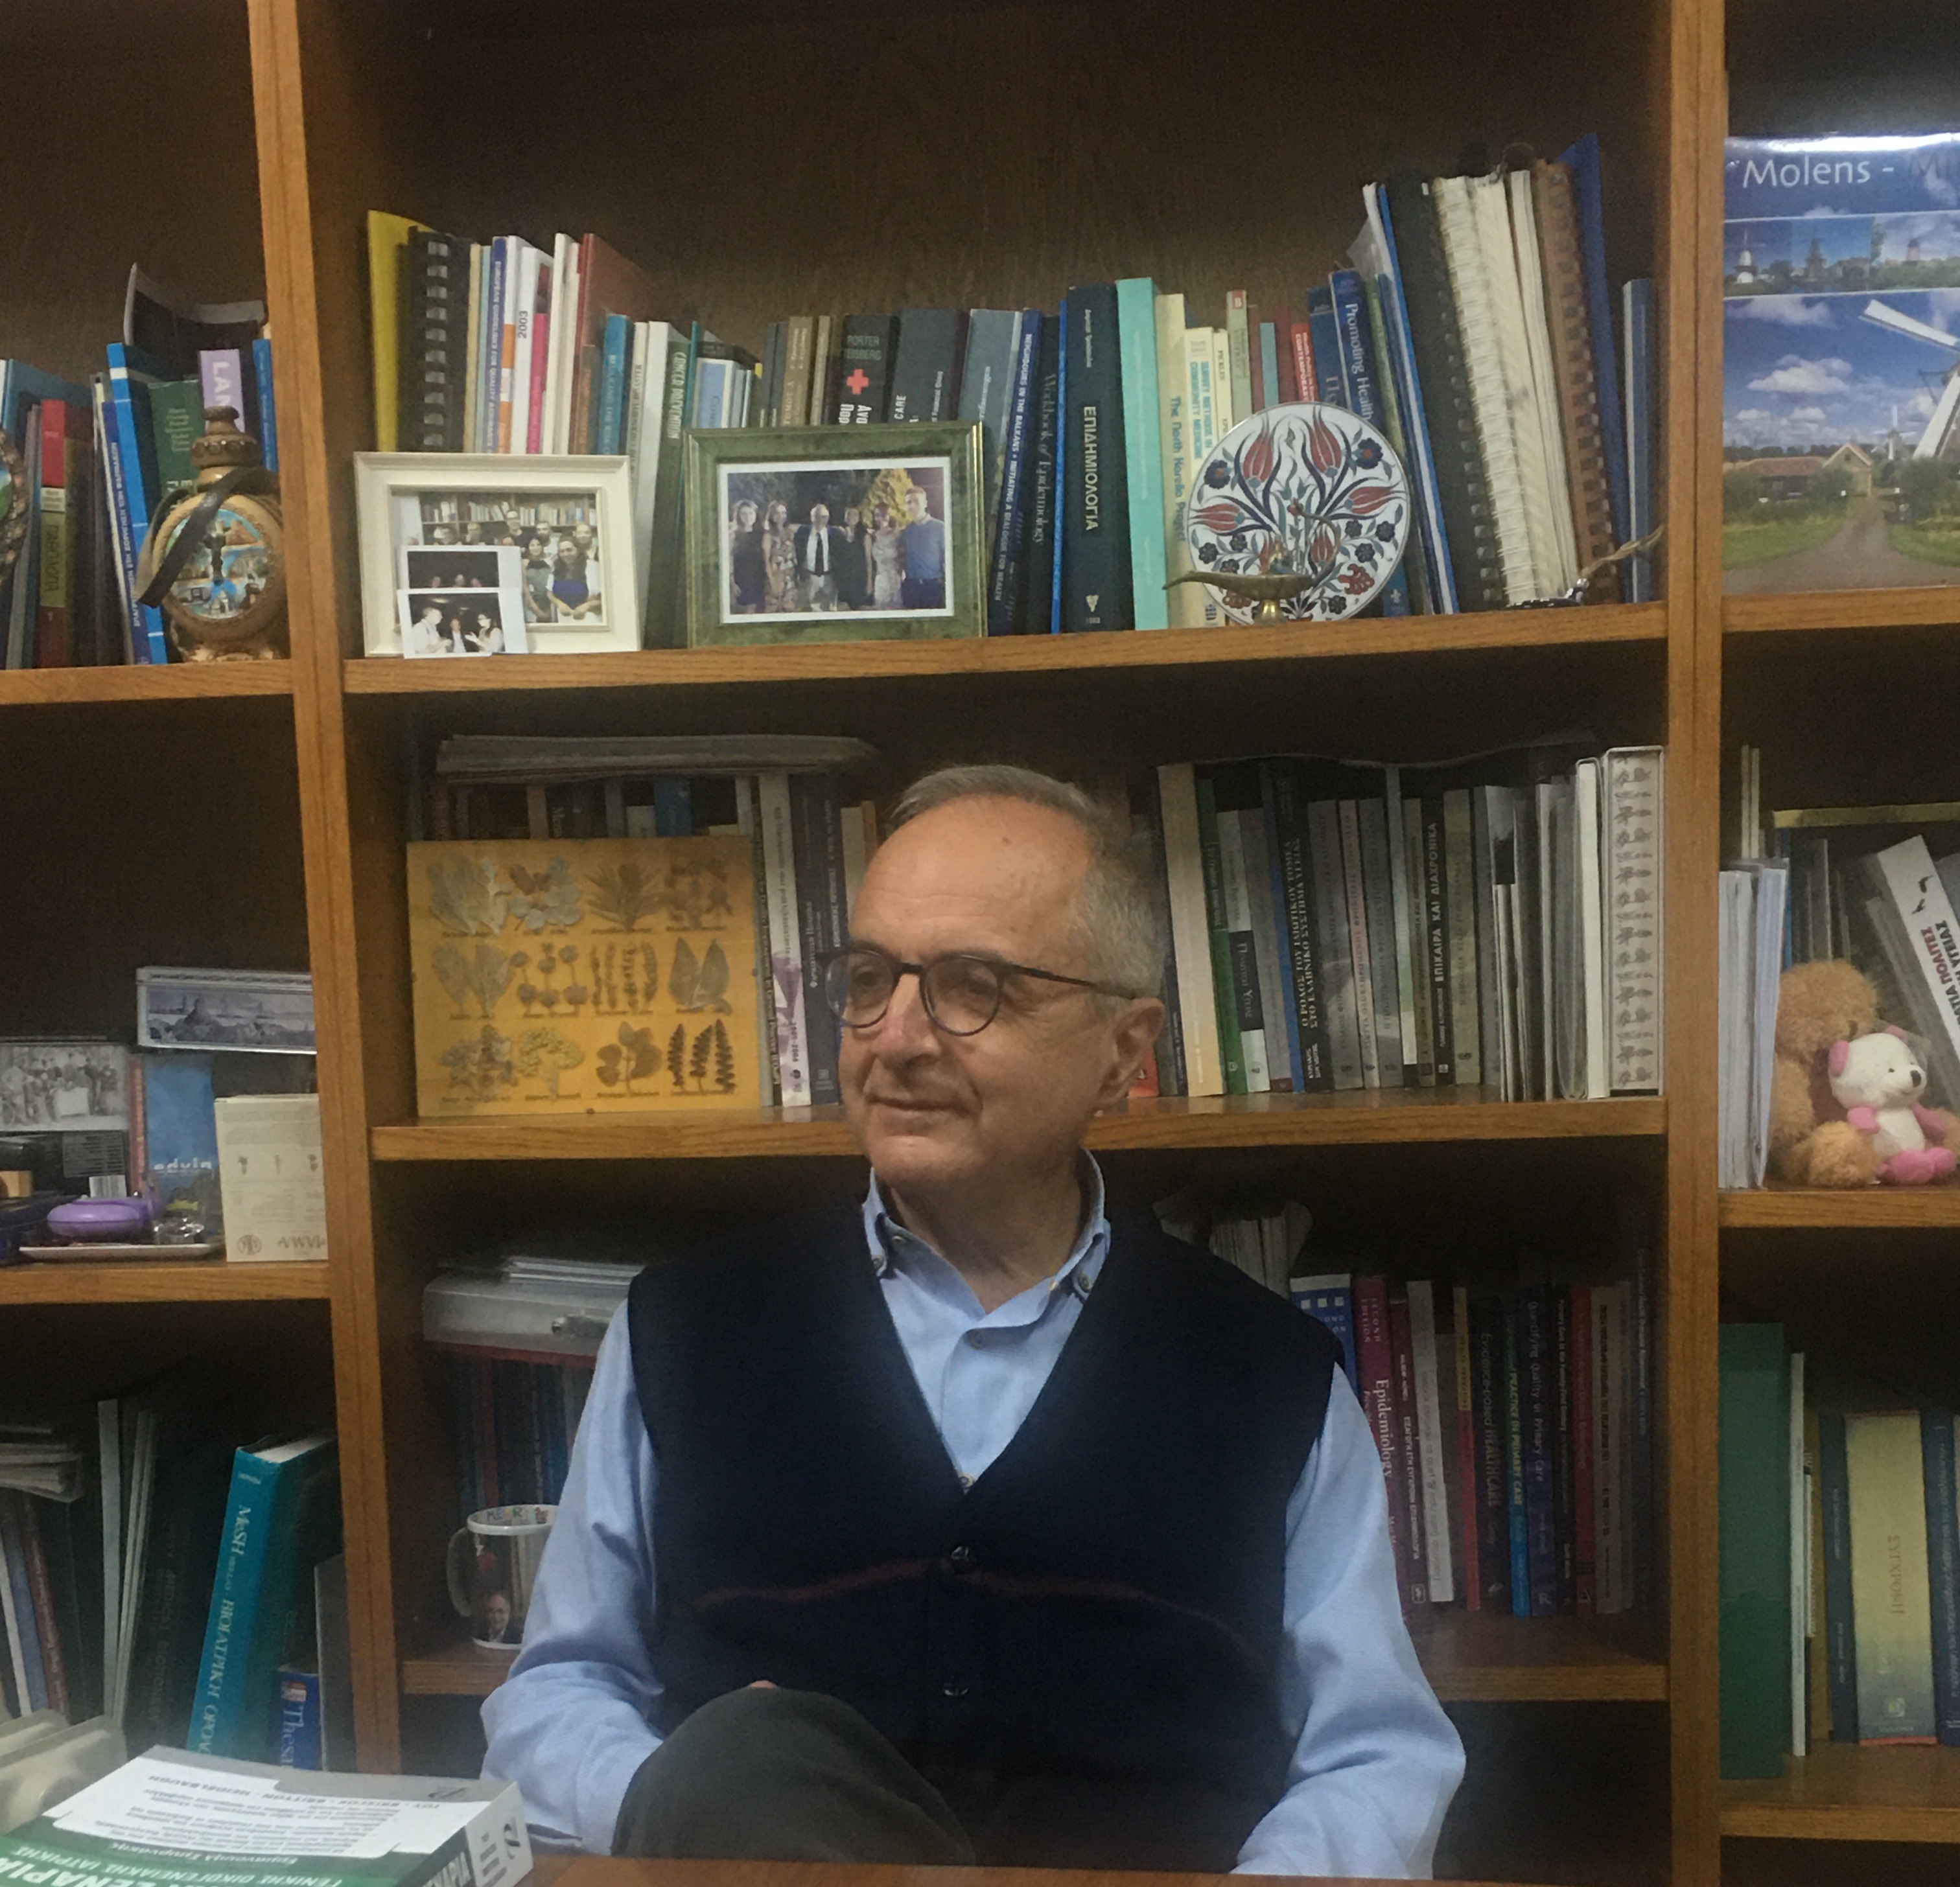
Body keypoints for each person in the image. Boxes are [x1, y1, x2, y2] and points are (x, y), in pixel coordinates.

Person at [482, 765, 1464, 1875]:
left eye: (971, 986)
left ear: (1122, 1048)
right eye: (869, 977)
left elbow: (1374, 1755)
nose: (894, 1036)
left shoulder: (1267, 1374)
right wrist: (687, 1803)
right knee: (747, 1759)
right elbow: (558, 1691)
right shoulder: (686, 1327)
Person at [899, 484, 947, 609]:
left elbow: (948, 559)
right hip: (911, 587)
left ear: (925, 503)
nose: (912, 505)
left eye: (917, 501)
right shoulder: (907, 531)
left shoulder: (941, 528)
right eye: (909, 502)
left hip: (933, 587)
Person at [794, 501, 843, 612]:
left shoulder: (835, 534)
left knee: (831, 610)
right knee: (810, 610)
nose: (820, 520)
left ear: (828, 518)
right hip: (809, 577)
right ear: (811, 517)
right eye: (816, 517)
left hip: (829, 577)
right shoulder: (803, 532)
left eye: (824, 517)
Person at [728, 500, 765, 612]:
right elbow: (728, 559)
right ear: (738, 516)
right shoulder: (733, 535)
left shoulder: (762, 534)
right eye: (744, 514)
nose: (748, 517)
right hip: (743, 579)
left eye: (751, 513)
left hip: (761, 579)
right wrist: (732, 583)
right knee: (748, 611)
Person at [762, 499, 798, 612]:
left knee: (790, 610)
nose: (781, 516)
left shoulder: (789, 533)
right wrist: (773, 583)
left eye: (783, 513)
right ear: (772, 515)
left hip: (790, 579)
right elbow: (766, 561)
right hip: (776, 578)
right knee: (774, 610)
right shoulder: (768, 536)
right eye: (777, 513)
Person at [836, 504, 872, 609]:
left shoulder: (864, 536)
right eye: (849, 514)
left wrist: (869, 582)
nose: (851, 517)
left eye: (854, 514)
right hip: (845, 578)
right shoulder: (840, 534)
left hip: (859, 579)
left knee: (857, 607)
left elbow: (868, 560)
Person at [869, 499, 904, 608]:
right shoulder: (873, 536)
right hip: (880, 580)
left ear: (889, 516)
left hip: (895, 579)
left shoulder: (897, 535)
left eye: (884, 515)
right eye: (877, 515)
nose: (880, 519)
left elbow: (903, 557)